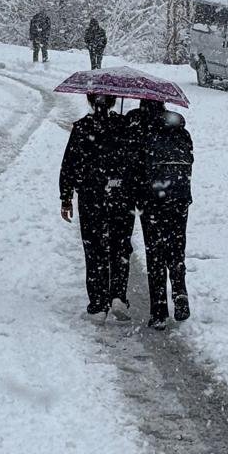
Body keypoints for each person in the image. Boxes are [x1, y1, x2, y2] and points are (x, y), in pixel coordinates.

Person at [59, 94, 131, 316]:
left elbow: (69, 163)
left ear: (90, 101)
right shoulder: (123, 126)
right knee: (120, 246)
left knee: (94, 248)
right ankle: (118, 294)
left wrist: (66, 197)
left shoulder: (82, 128)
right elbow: (132, 160)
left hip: (92, 195)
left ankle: (98, 301)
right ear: (112, 101)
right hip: (120, 195)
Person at [126, 98, 193, 328]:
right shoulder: (180, 131)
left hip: (152, 200)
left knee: (155, 253)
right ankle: (180, 292)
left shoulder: (141, 130)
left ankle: (159, 311)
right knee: (176, 247)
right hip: (180, 197)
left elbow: (133, 167)